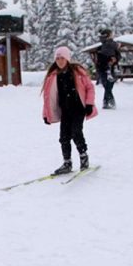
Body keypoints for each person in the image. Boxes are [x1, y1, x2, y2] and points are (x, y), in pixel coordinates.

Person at [42, 46, 97, 175]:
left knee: (76, 132)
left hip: (78, 109)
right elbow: (48, 97)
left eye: (62, 58)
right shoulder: (54, 76)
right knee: (64, 137)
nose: (60, 61)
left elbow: (89, 88)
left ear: (67, 59)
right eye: (57, 58)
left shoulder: (77, 71)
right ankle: (67, 162)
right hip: (65, 110)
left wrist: (89, 104)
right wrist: (46, 114)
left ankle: (83, 156)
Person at [95, 28, 120, 109]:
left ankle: (106, 102)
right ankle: (110, 101)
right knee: (107, 86)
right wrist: (108, 60)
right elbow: (100, 59)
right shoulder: (102, 47)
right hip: (104, 68)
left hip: (112, 68)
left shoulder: (113, 45)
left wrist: (115, 59)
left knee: (109, 85)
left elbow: (118, 55)